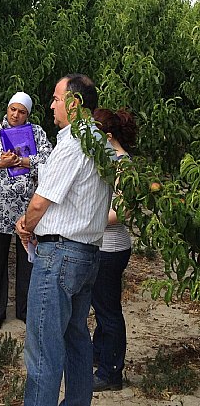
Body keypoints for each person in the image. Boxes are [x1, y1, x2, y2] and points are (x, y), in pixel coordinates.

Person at [15, 74, 112, 405]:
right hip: (86, 254)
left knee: (44, 346)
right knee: (76, 340)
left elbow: (41, 201)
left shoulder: (73, 143)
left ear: (75, 103)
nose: (52, 105)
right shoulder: (100, 142)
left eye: (57, 98)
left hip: (60, 254)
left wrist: (26, 225)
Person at [0, 92, 52, 329]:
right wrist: (1, 164)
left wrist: (23, 161)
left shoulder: (36, 133)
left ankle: (26, 309)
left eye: (22, 112)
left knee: (28, 260)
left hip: (28, 209)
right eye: (13, 110)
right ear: (7, 109)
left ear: (28, 114)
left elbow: (49, 163)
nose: (16, 115)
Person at [91, 108, 137, 392]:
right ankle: (99, 355)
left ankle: (111, 372)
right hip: (103, 246)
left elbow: (120, 213)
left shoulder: (124, 166)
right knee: (101, 305)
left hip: (112, 247)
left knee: (108, 311)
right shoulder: (109, 162)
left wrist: (87, 217)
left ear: (108, 136)